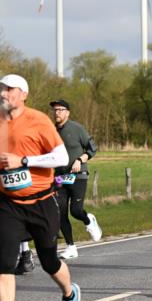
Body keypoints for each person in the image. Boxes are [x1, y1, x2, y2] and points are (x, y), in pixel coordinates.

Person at [0, 74, 80, 301]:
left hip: (41, 202)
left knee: (49, 262)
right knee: (5, 262)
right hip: (9, 204)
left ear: (23, 94)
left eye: (9, 89)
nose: (3, 94)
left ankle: (70, 294)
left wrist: (24, 161)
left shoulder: (39, 120)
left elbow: (61, 157)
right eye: (1, 89)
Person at [48, 99, 102, 261]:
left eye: (60, 109)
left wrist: (80, 160)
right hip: (59, 177)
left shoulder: (77, 129)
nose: (57, 112)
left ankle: (89, 220)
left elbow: (92, 148)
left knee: (76, 211)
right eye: (55, 110)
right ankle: (71, 247)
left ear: (67, 113)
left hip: (78, 176)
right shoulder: (51, 131)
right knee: (60, 212)